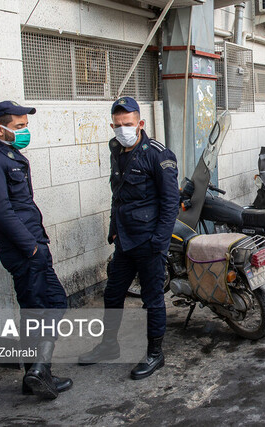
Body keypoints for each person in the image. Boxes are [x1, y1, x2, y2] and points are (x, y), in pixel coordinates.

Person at [0, 101, 72, 399]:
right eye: (19, 127)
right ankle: (38, 372)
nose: (25, 131)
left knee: (47, 306)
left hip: (34, 247)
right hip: (24, 251)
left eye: (25, 126)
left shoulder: (11, 157)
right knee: (43, 308)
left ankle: (37, 373)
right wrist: (30, 248)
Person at [78, 97, 179, 380]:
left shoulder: (158, 154)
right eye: (118, 124)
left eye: (129, 124)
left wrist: (159, 242)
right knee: (112, 294)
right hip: (124, 239)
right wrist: (113, 228)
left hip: (148, 241)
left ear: (140, 123)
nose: (123, 129)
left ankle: (155, 354)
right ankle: (109, 345)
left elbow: (170, 202)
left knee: (152, 299)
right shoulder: (116, 149)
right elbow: (118, 194)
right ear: (112, 125)